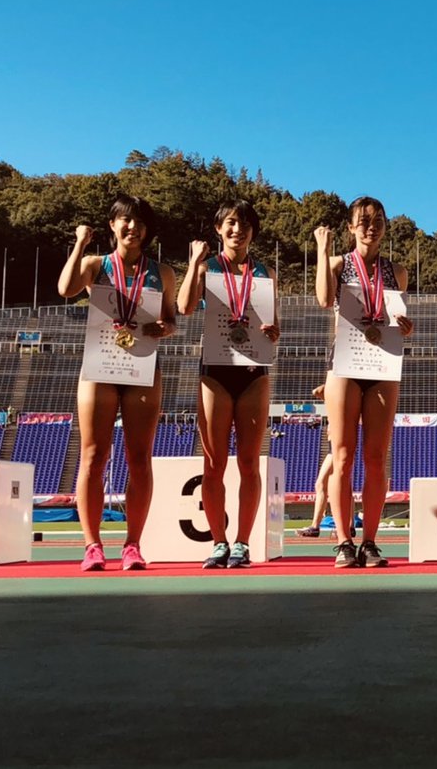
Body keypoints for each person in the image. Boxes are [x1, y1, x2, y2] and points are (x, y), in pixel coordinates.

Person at [57, 194, 176, 571]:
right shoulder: (96, 265)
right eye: (125, 220)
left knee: (139, 459)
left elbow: (170, 319)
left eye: (140, 223)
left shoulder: (164, 272)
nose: (132, 228)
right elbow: (65, 289)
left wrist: (165, 328)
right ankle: (92, 544)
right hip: (100, 366)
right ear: (112, 225)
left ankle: (132, 544)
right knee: (93, 455)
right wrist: (79, 243)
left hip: (142, 368)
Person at [177, 200, 280, 569]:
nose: (239, 229)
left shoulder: (264, 272)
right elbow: (185, 307)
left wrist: (273, 331)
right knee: (214, 463)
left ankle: (242, 543)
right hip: (215, 371)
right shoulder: (208, 268)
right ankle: (218, 541)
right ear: (219, 228)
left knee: (249, 463)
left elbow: (274, 326)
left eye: (245, 224)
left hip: (253, 372)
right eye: (231, 223)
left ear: (253, 231)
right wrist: (192, 264)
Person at [315, 196, 414, 568]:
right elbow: (325, 299)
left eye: (377, 221)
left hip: (382, 365)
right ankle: (343, 541)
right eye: (363, 220)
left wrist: (407, 327)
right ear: (351, 227)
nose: (370, 226)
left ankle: (370, 540)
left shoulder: (397, 272)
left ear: (385, 227)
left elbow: (398, 319)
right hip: (344, 365)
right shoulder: (339, 264)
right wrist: (323, 252)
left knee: (375, 457)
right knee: (342, 456)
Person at [298, 382, 333, 537]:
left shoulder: (346, 403)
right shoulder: (335, 402)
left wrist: (334, 382)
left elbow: (317, 390)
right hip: (335, 447)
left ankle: (315, 526)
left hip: (337, 448)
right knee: (343, 485)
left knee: (321, 484)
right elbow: (316, 391)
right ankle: (349, 526)